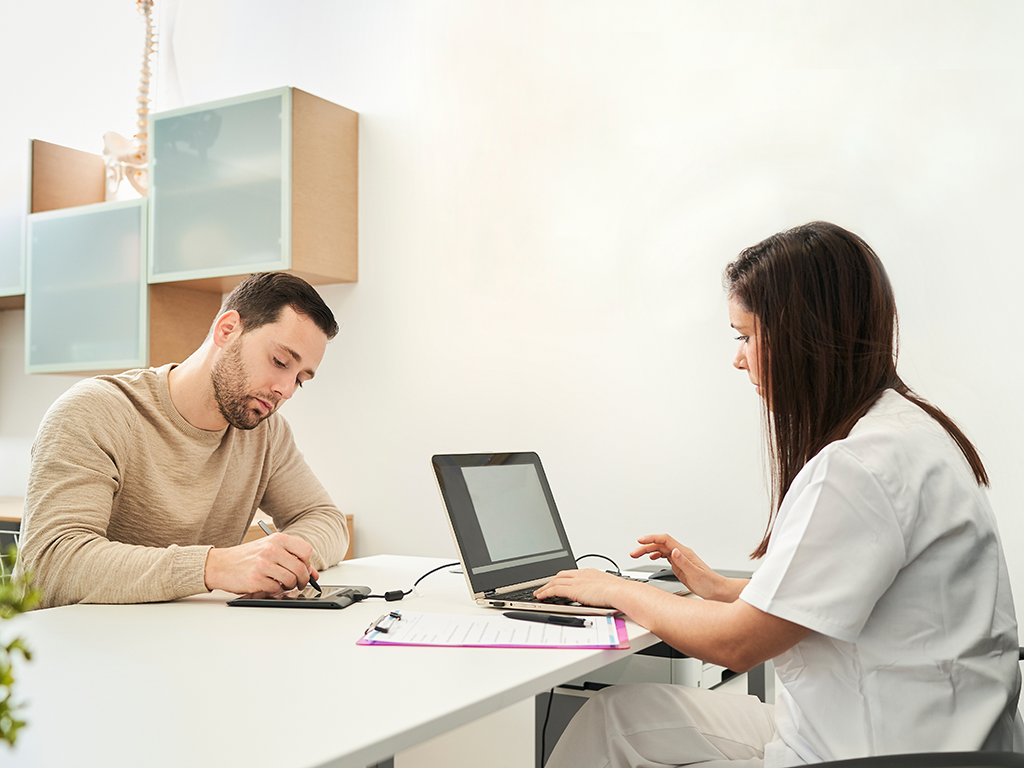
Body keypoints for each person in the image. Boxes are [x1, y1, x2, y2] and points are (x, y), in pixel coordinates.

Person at [535, 222, 1022, 767]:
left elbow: (736, 646)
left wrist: (614, 590)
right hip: (902, 734)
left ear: (802, 336)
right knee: (618, 717)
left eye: (745, 336)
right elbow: (848, 592)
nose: (737, 359)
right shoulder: (909, 431)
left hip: (868, 750)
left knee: (612, 726)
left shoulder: (860, 466)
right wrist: (722, 589)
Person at [16, 271, 350, 609]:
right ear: (228, 329)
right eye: (280, 361)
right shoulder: (96, 411)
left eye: (300, 379)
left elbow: (326, 520)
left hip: (183, 644)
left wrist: (283, 560)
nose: (286, 390)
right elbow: (50, 565)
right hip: (76, 649)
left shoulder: (267, 433)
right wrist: (212, 567)